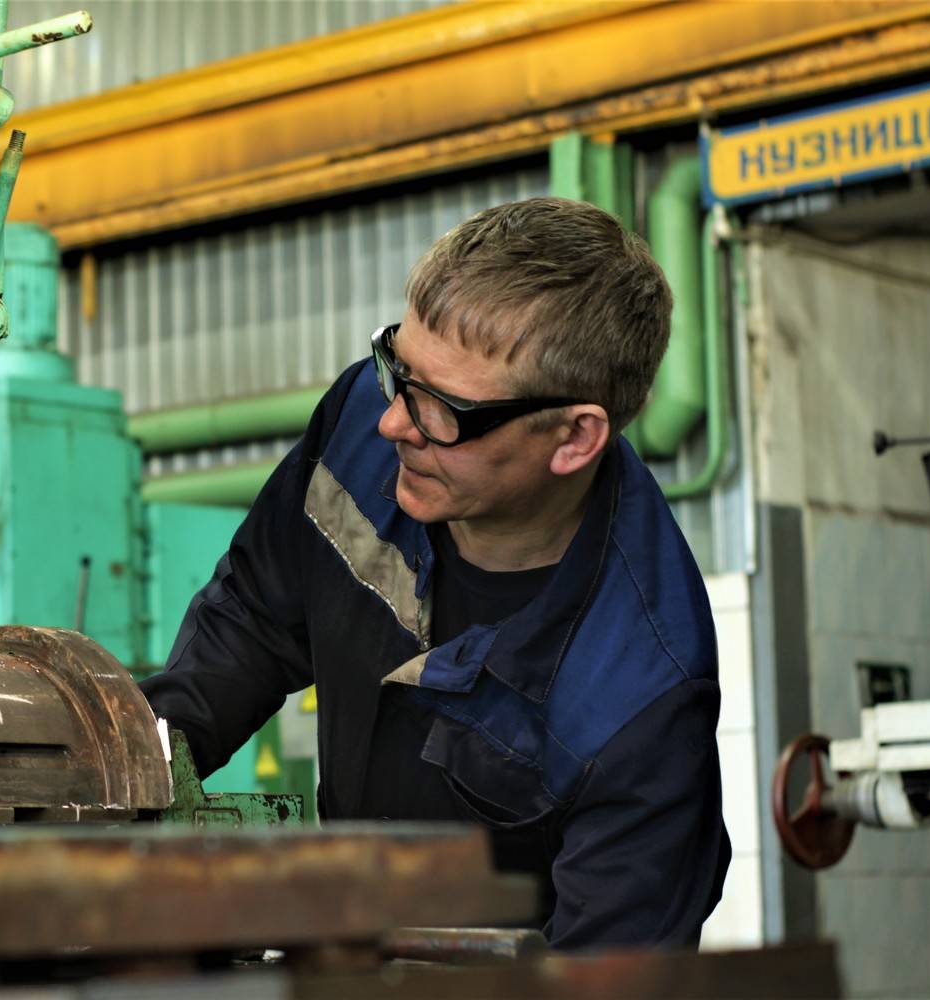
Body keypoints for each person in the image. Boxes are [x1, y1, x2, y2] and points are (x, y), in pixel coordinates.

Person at [139, 197, 730, 949]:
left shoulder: (641, 699)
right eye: (399, 367)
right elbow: (252, 619)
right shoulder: (361, 427)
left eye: (444, 408)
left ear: (575, 438)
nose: (394, 422)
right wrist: (132, 767)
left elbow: (609, 973)